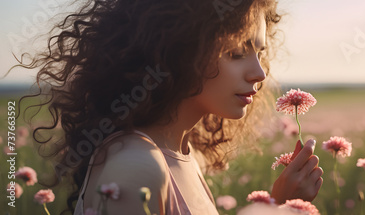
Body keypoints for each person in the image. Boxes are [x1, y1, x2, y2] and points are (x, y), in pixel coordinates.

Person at [17, 0, 323, 214]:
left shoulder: (181, 154)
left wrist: (277, 204)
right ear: (179, 49)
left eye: (259, 51)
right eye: (234, 52)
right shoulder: (138, 166)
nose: (259, 73)